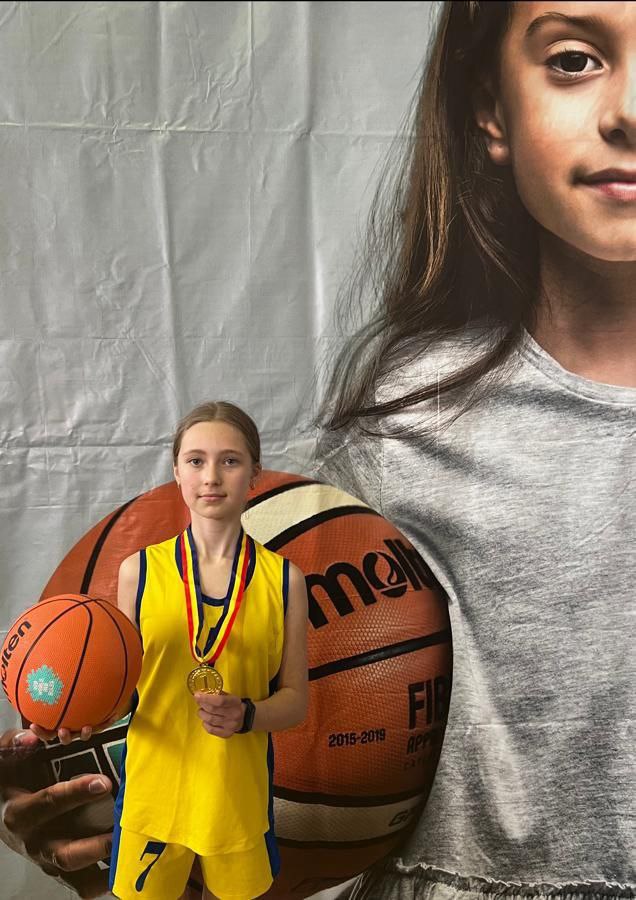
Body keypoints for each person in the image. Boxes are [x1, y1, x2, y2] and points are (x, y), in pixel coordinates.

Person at [309, 2, 634, 900]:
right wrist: (128, 794)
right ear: (491, 109)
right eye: (573, 60)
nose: (629, 110)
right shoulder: (409, 428)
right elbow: (272, 738)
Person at [16, 400, 309, 900]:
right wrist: (76, 710)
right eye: (196, 460)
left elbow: (295, 701)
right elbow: (123, 691)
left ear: (254, 474)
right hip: (153, 794)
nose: (211, 476)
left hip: (235, 796)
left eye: (230, 460)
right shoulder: (140, 570)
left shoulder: (284, 580)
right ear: (176, 471)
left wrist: (247, 714)